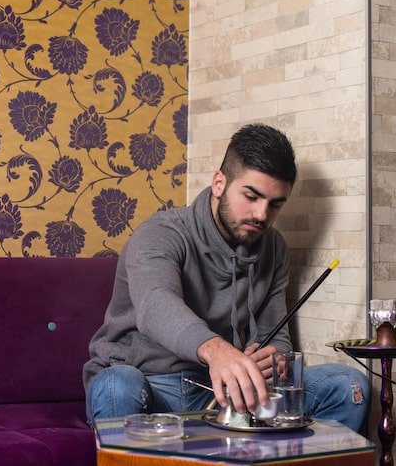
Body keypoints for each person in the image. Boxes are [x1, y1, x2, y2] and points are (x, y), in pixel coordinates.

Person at [83, 123, 369, 431]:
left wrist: (274, 360)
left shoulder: (273, 248)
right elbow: (155, 304)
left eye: (275, 204)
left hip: (225, 390)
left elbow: (276, 333)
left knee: (347, 384)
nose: (262, 215)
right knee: (119, 386)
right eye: (251, 196)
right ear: (219, 183)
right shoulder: (160, 233)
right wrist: (218, 351)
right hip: (148, 383)